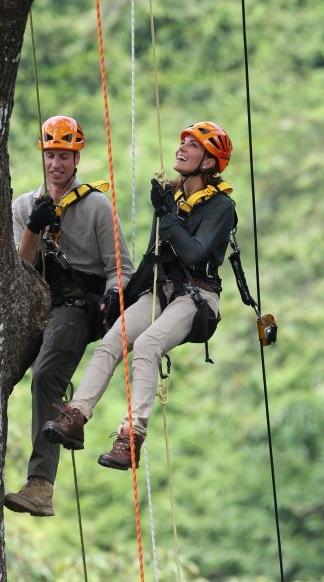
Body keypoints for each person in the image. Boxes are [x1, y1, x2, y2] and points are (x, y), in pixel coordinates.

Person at [42, 120, 235, 472]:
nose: (182, 148)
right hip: (160, 290)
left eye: (193, 146)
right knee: (113, 340)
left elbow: (193, 255)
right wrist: (122, 298)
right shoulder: (172, 198)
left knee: (147, 345)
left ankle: (130, 437)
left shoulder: (221, 208)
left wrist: (165, 214)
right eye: (184, 141)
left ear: (209, 163)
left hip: (197, 298)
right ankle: (75, 416)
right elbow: (153, 258)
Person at [5, 115, 134, 516]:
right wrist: (33, 227)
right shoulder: (24, 206)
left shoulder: (95, 206)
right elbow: (18, 270)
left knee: (46, 375)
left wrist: (113, 297)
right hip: (33, 303)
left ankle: (41, 484)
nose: (56, 164)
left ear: (76, 159)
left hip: (78, 306)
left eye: (64, 155)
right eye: (50, 155)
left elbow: (121, 267)